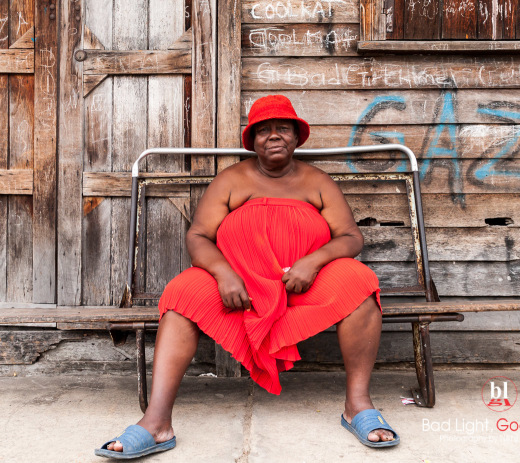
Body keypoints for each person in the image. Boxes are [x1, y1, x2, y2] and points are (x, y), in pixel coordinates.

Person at [95, 95, 399, 459]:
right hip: (239, 289)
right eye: (264, 131)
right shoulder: (232, 180)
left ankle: (358, 406)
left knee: (360, 283)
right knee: (181, 294)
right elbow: (198, 236)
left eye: (282, 129)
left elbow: (351, 237)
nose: (274, 137)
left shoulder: (317, 182)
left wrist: (313, 262)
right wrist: (224, 273)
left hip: (300, 286)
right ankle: (156, 422)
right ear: (252, 140)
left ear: (296, 138)